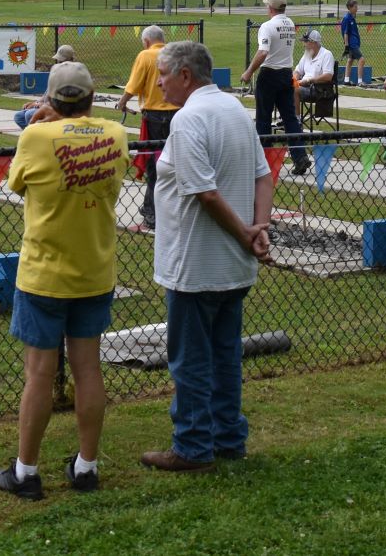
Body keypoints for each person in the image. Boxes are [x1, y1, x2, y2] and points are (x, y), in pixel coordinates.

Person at [0, 62, 127, 500]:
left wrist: (37, 124)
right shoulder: (115, 134)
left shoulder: (34, 137)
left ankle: (26, 472)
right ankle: (86, 466)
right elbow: (99, 131)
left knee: (38, 373)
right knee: (88, 368)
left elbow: (16, 183)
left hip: (44, 274)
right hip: (94, 271)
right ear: (90, 98)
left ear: (51, 100)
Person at [140, 39, 273, 473]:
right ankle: (229, 439)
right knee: (225, 355)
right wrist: (259, 229)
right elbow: (263, 176)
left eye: (162, 74)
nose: (157, 82)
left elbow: (205, 193)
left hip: (194, 266)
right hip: (233, 267)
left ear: (184, 75)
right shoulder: (235, 110)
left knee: (191, 360)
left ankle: (193, 446)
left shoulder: (188, 119)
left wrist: (246, 233)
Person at [240, 0, 309, 175]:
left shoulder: (267, 26)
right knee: (290, 119)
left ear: (270, 8)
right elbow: (275, 7)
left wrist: (248, 72)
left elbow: (263, 52)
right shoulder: (290, 24)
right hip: (286, 74)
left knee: (263, 119)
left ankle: (262, 161)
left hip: (269, 74)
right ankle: (300, 156)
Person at [116, 28, 175, 230]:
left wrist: (122, 102)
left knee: (154, 165)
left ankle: (151, 213)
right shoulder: (174, 53)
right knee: (175, 164)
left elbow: (133, 85)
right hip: (178, 115)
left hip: (155, 117)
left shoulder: (146, 55)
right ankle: (163, 208)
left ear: (147, 41)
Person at [14, 45, 77, 130]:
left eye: (62, 61)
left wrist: (37, 105)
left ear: (70, 60)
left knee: (29, 115)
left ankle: (38, 135)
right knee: (19, 117)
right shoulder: (57, 73)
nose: (59, 63)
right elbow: (46, 95)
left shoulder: (72, 77)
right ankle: (35, 133)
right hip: (46, 106)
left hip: (58, 110)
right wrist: (35, 102)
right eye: (59, 61)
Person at [293, 29, 336, 112]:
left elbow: (328, 76)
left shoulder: (327, 54)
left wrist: (309, 80)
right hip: (304, 86)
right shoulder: (307, 54)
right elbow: (297, 71)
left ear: (313, 42)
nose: (303, 45)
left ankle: (296, 121)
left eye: (305, 42)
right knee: (283, 87)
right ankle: (284, 118)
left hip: (319, 90)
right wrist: (294, 80)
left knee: (293, 90)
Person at [338, 0, 362, 69]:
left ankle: (346, 79)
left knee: (350, 61)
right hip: (352, 44)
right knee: (361, 60)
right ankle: (360, 80)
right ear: (350, 8)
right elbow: (345, 33)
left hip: (355, 42)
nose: (357, 8)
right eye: (355, 7)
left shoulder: (352, 17)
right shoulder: (347, 18)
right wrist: (346, 46)